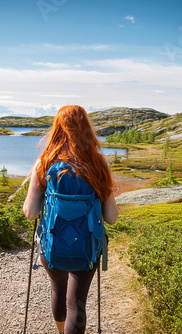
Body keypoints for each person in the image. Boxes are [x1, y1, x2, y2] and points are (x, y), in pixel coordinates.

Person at [23, 105, 119, 334]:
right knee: (76, 302)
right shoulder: (97, 164)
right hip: (87, 247)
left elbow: (30, 213)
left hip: (52, 245)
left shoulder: (44, 162)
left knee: (58, 291)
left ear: (57, 128)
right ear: (87, 128)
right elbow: (112, 218)